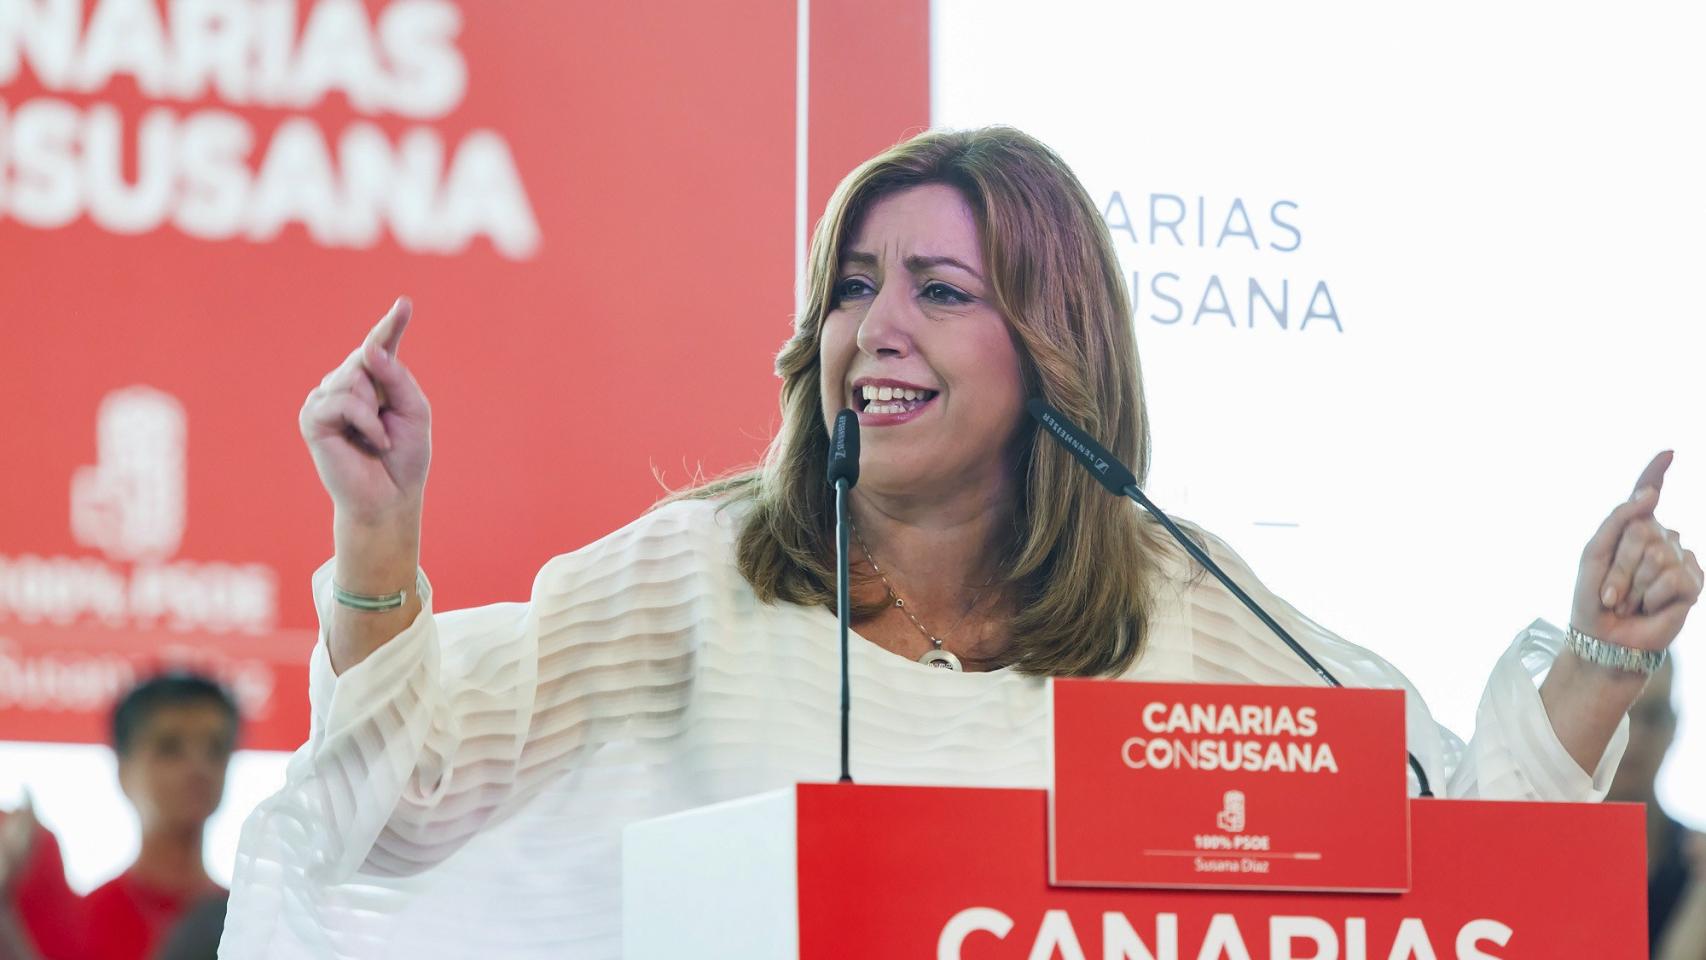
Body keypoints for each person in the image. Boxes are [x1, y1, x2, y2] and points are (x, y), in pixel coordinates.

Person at [221, 127, 1702, 958]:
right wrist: (378, 533)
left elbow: (1434, 851)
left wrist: (1594, 659)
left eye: (939, 288)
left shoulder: (1171, 603)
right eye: (854, 284)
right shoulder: (690, 576)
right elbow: (394, 804)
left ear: (1051, 346)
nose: (876, 326)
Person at [0, 672, 239, 960]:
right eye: (169, 748)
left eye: (216, 748)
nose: (198, 767)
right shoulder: (82, 922)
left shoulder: (250, 921)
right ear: (123, 769)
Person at [1608, 655, 1706, 959]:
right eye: (1618, 715)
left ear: (1673, 726)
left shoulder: (1695, 862)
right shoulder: (1547, 858)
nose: (1634, 738)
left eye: (1652, 716)